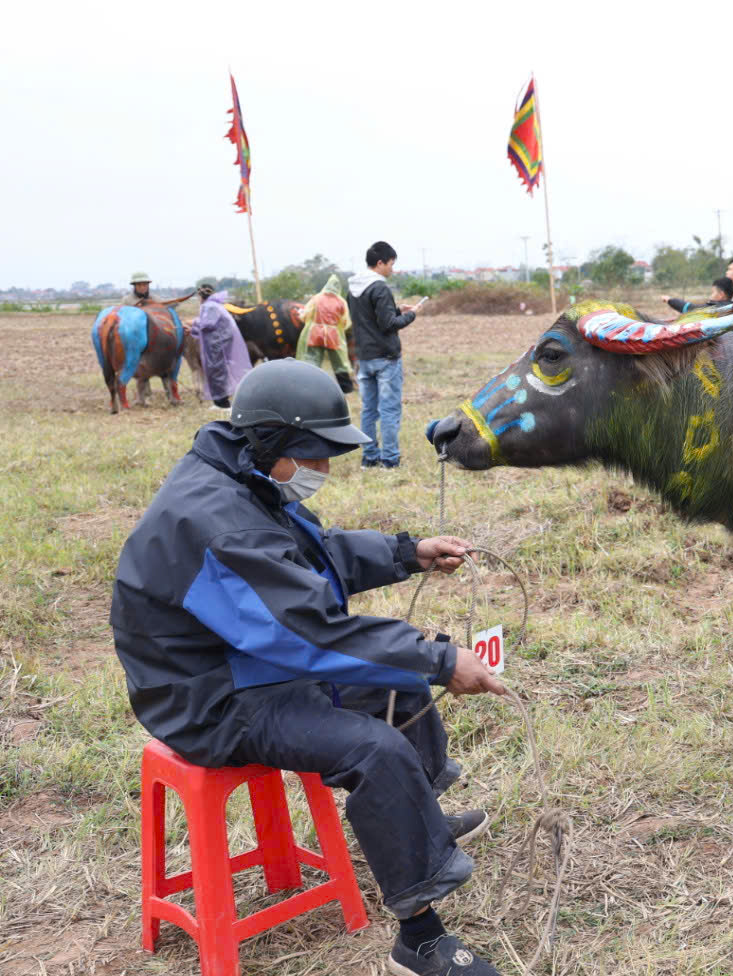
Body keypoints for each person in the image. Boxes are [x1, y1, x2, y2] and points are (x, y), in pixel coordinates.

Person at [109, 360, 508, 976]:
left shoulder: (242, 478)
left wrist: (407, 553)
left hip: (246, 661)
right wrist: (437, 658)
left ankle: (417, 821)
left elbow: (308, 558)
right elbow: (308, 631)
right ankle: (420, 940)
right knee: (375, 747)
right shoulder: (220, 522)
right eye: (313, 456)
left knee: (398, 686)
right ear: (271, 443)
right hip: (209, 696)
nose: (321, 470)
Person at [349, 242, 424, 469]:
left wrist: (398, 308)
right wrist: (412, 315)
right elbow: (388, 324)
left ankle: (369, 458)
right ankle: (390, 459)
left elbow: (368, 317)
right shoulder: (380, 288)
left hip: (364, 357)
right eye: (391, 264)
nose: (392, 269)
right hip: (386, 358)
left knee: (369, 409)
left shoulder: (353, 287)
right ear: (380, 263)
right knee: (389, 410)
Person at [190, 278, 252, 408]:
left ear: (200, 296)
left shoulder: (209, 306)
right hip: (218, 342)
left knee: (216, 370)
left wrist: (193, 323)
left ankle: (222, 403)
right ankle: (220, 401)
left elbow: (207, 324)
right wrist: (192, 327)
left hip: (217, 344)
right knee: (219, 370)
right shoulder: (215, 304)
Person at [296, 273, 355, 394]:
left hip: (314, 333)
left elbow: (305, 315)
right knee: (340, 362)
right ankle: (346, 388)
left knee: (311, 360)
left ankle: (308, 385)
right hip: (333, 335)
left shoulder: (316, 298)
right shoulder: (341, 301)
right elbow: (345, 321)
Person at [665, 277, 733, 314]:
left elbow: (690, 309)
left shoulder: (715, 308)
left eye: (712, 292)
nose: (710, 297)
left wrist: (669, 300)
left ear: (720, 295)